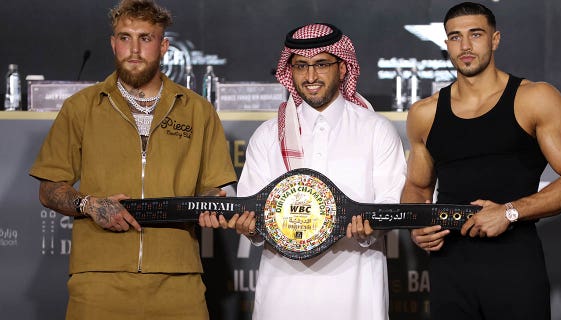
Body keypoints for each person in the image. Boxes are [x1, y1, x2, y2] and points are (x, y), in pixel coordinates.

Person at [29, 0, 236, 319]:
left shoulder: (197, 110)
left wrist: (210, 204)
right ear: (113, 43)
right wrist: (91, 205)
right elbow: (49, 188)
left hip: (178, 280)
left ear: (164, 46)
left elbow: (216, 186)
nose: (134, 49)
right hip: (98, 279)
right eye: (125, 37)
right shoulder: (81, 107)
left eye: (146, 38)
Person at [401, 2, 561, 320]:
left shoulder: (534, 98)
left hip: (514, 263)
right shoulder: (424, 113)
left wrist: (509, 211)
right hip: (449, 268)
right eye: (454, 37)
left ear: (495, 39)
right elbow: (417, 186)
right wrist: (417, 222)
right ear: (446, 43)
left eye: (475, 34)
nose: (465, 46)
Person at [217, 23, 406, 320]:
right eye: (301, 66)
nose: (310, 76)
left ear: (343, 68)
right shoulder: (269, 135)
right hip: (282, 293)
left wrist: (372, 226)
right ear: (289, 70)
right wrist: (247, 224)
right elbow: (251, 211)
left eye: (321, 65)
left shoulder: (375, 130)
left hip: (356, 291)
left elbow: (392, 203)